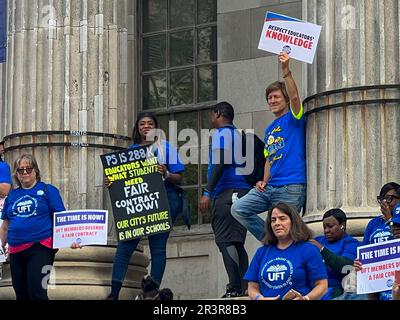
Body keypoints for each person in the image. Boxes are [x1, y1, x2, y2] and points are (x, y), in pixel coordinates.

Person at [106, 112, 185, 300]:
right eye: (142, 124)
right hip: (136, 205)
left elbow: (180, 177)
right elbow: (123, 180)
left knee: (158, 249)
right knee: (124, 247)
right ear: (138, 128)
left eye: (150, 123)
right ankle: (114, 294)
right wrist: (112, 181)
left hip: (163, 201)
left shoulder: (165, 147)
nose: (146, 126)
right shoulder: (131, 150)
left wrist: (165, 172)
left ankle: (152, 293)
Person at [231, 52, 306, 241]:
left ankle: (282, 246)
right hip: (270, 187)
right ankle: (270, 241)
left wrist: (286, 69)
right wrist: (263, 181)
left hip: (291, 186)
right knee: (238, 208)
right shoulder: (270, 128)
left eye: (276, 97)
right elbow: (268, 160)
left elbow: (296, 97)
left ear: (285, 99)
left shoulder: (293, 118)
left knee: (290, 233)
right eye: (269, 98)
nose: (271, 101)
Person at [199, 101, 251, 298]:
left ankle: (235, 288)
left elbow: (221, 161)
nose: (211, 119)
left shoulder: (223, 133)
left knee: (225, 240)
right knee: (236, 242)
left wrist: (207, 192)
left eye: (212, 114)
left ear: (218, 113)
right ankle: (245, 287)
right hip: (242, 192)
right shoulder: (237, 134)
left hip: (227, 192)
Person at [0, 154, 66, 300]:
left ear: (35, 170)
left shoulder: (48, 190)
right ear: (16, 174)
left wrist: (72, 240)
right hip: (16, 250)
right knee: (21, 294)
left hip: (41, 248)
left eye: (28, 169)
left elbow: (62, 219)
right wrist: (3, 244)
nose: (24, 172)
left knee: (38, 293)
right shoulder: (12, 196)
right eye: (20, 170)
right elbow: (5, 225)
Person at [244, 203, 327, 300]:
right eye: (273, 220)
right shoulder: (261, 252)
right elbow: (252, 286)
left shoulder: (308, 249)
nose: (277, 223)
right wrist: (260, 298)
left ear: (293, 222)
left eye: (282, 218)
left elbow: (322, 285)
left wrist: (305, 298)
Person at [354, 182, 400, 300]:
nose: (385, 202)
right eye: (382, 199)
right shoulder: (373, 224)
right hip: (378, 284)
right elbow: (364, 251)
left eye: (389, 198)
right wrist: (359, 264)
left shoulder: (396, 222)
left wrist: (390, 219)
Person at [309, 208, 360, 299]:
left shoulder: (351, 243)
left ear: (342, 225)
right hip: (311, 288)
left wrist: (321, 249)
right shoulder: (318, 240)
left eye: (330, 226)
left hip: (333, 289)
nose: (326, 230)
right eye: (324, 227)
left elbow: (345, 267)